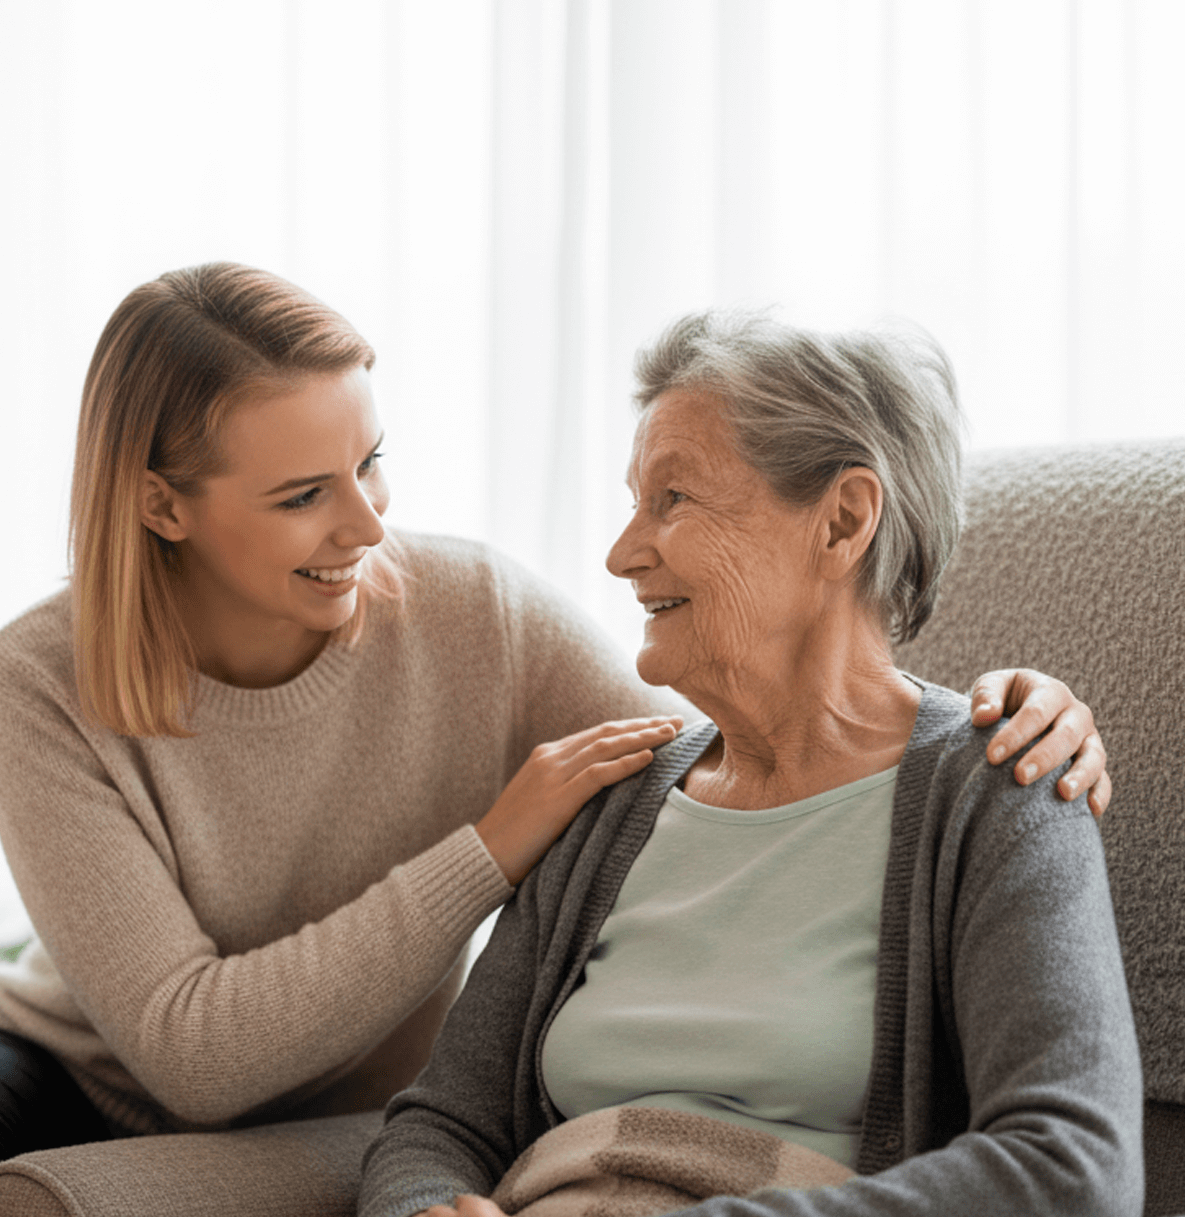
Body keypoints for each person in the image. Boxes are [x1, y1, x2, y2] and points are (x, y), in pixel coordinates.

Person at [0, 266, 1112, 1217]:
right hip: (99, 1059)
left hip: (362, 1091)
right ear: (165, 508)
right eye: (302, 494)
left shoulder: (482, 620)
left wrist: (1019, 710)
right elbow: (208, 1057)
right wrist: (487, 853)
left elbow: (781, 735)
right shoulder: (36, 681)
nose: (365, 525)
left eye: (373, 465)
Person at [357, 310, 1142, 1217]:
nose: (620, 555)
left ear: (843, 521)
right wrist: (423, 1204)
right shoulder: (612, 803)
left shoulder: (1002, 788)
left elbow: (1074, 1170)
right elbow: (439, 1123)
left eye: (674, 500)